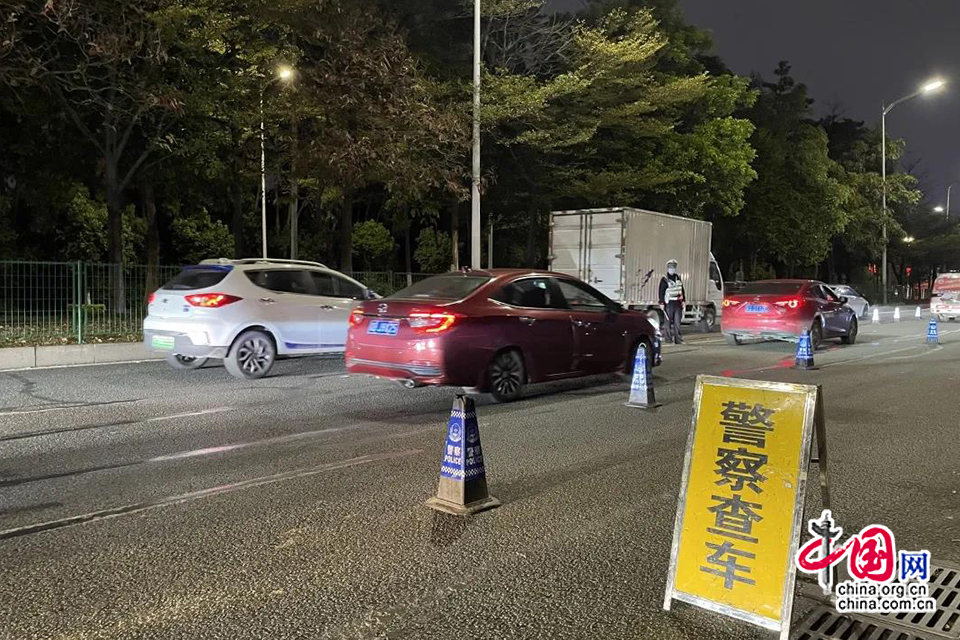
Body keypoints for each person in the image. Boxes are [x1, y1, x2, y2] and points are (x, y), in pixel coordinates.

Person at [659, 259, 685, 344]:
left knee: (677, 322)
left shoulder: (678, 278)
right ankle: (668, 339)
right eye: (670, 267)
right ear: (667, 268)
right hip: (669, 303)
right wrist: (661, 302)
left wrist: (683, 300)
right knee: (668, 322)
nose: (672, 269)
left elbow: (682, 290)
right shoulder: (664, 279)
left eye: (673, 267)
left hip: (678, 303)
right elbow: (661, 292)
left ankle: (678, 339)